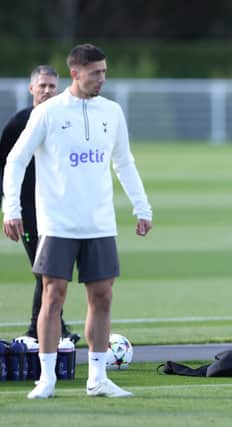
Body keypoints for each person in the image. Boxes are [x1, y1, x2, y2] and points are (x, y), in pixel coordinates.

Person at [2, 44, 153, 399]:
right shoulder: (48, 113)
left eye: (104, 71)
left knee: (102, 297)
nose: (102, 78)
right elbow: (15, 160)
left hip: (99, 221)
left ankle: (98, 378)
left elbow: (124, 162)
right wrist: (12, 208)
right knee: (52, 297)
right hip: (57, 223)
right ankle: (47, 378)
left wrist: (141, 207)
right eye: (95, 72)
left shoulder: (112, 113)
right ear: (75, 73)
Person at [0, 65, 79, 343]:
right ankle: (39, 329)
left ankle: (53, 326)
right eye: (42, 86)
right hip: (28, 211)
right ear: (31, 88)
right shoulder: (17, 124)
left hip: (57, 208)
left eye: (51, 86)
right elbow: (4, 167)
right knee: (45, 270)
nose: (47, 91)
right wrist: (10, 208)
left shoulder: (65, 120)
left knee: (52, 271)